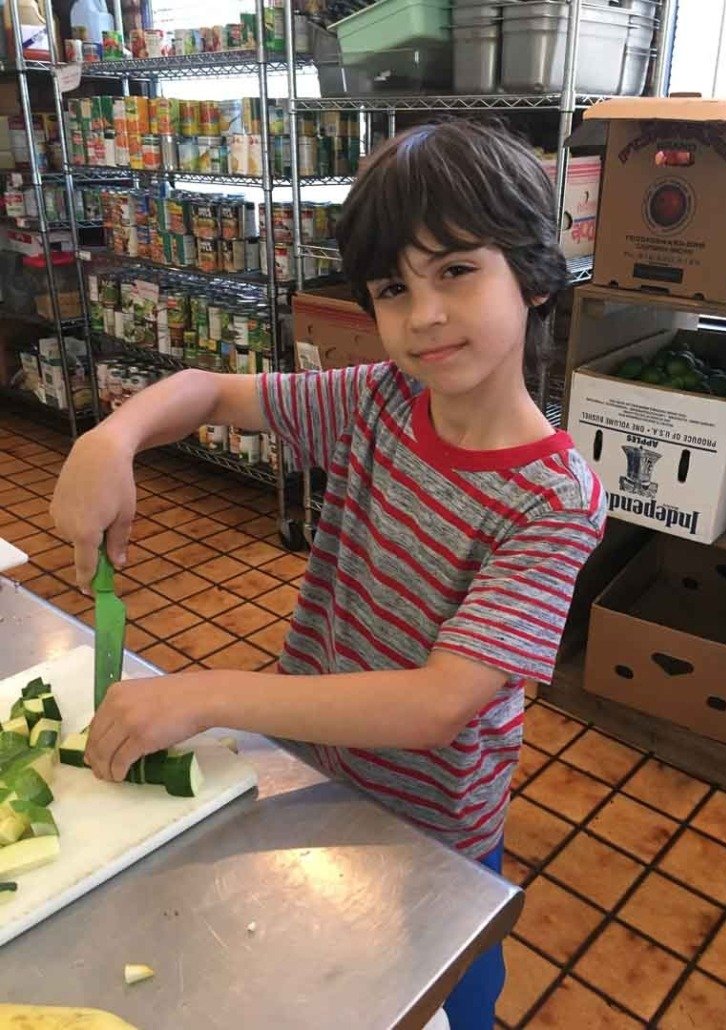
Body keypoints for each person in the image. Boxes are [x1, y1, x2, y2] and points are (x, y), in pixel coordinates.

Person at [50, 120, 606, 1029]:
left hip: (434, 834)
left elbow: (437, 703)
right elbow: (208, 390)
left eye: (456, 270)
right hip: (310, 780)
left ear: (536, 277)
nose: (422, 313)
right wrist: (109, 437)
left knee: (436, 1000)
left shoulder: (555, 499)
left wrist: (209, 694)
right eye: (394, 288)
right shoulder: (380, 399)